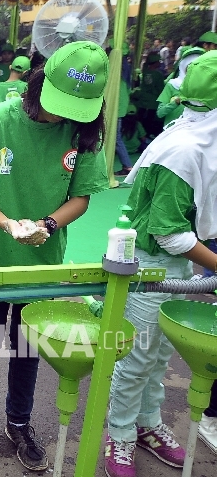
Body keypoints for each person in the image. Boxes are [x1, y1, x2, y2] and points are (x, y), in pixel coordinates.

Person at [0, 41, 109, 472]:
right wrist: (8, 224)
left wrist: (47, 224)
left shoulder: (83, 133)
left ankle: (20, 421)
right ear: (38, 83)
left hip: (44, 260)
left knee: (27, 346)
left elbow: (80, 197)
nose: (62, 116)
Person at [105, 51, 217, 477]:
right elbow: (169, 233)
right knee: (137, 358)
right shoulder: (186, 151)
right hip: (149, 265)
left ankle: (148, 425)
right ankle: (120, 437)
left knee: (158, 357)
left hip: (174, 267)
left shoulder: (192, 137)